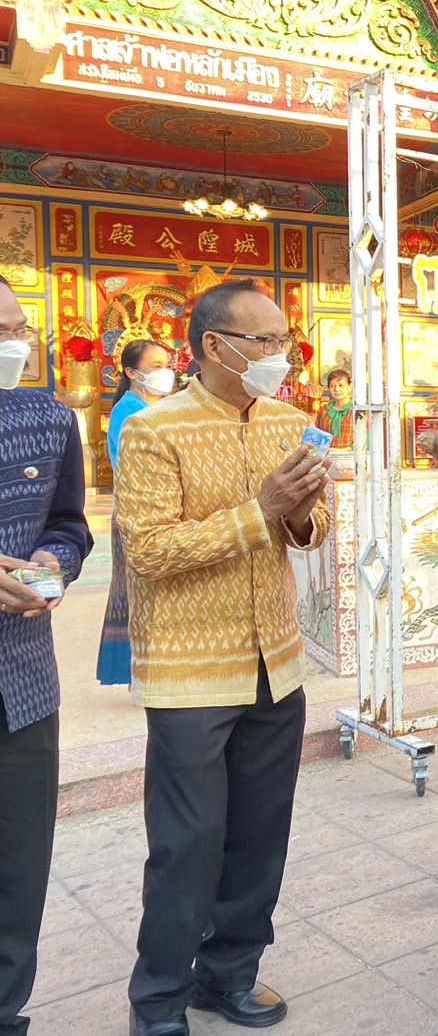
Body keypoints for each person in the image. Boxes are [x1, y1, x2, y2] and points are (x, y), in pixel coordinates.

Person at [116, 280, 331, 1036]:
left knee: (258, 835)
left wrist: (303, 514)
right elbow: (147, 551)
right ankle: (159, 999)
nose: (281, 355)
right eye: (264, 341)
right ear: (213, 345)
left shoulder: (291, 422)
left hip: (275, 659)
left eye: (284, 341)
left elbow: (311, 530)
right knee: (186, 845)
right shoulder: (153, 430)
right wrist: (262, 509)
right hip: (189, 672)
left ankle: (230, 974)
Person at [0, 276, 93, 1036]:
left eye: (21, 328)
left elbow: (70, 524)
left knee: (17, 865)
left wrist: (52, 563)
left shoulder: (48, 418)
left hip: (23, 683)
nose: (16, 344)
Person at [97, 339, 175, 687]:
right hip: (138, 513)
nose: (165, 372)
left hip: (159, 511)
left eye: (167, 364)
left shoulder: (158, 406)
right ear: (131, 372)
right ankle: (141, 671)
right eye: (155, 365)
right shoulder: (129, 412)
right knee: (136, 592)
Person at [313, 367, 354, 450]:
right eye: (332, 386)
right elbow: (316, 436)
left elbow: (365, 439)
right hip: (326, 457)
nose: (337, 389)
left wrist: (346, 449)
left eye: (341, 385)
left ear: (349, 387)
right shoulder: (324, 410)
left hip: (350, 458)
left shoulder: (357, 411)